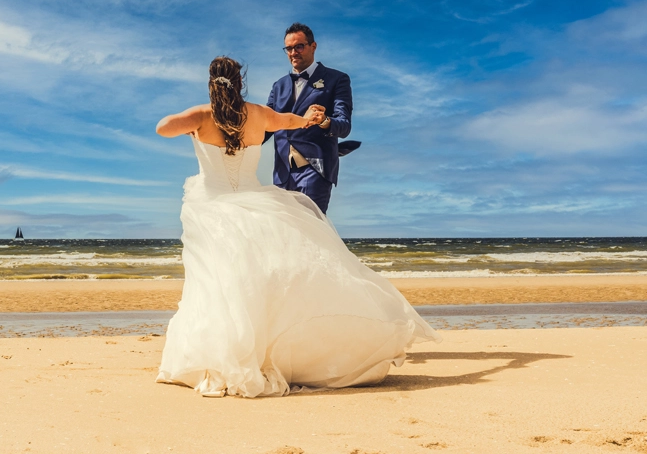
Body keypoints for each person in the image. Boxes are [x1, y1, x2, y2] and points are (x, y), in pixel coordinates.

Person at [154, 56, 439, 398]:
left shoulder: (201, 116)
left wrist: (199, 116)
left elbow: (163, 127)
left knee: (216, 280)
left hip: (212, 207)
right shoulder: (258, 113)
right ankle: (269, 347)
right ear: (240, 82)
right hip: (254, 203)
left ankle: (225, 349)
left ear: (212, 82)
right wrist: (309, 118)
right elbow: (291, 120)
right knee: (259, 275)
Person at [266, 22, 352, 214]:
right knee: (285, 234)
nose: (293, 52)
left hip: (315, 170)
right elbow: (265, 127)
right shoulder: (278, 86)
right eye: (288, 48)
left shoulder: (337, 79)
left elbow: (344, 126)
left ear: (313, 46)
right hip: (282, 174)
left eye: (299, 46)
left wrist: (324, 120)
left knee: (311, 234)